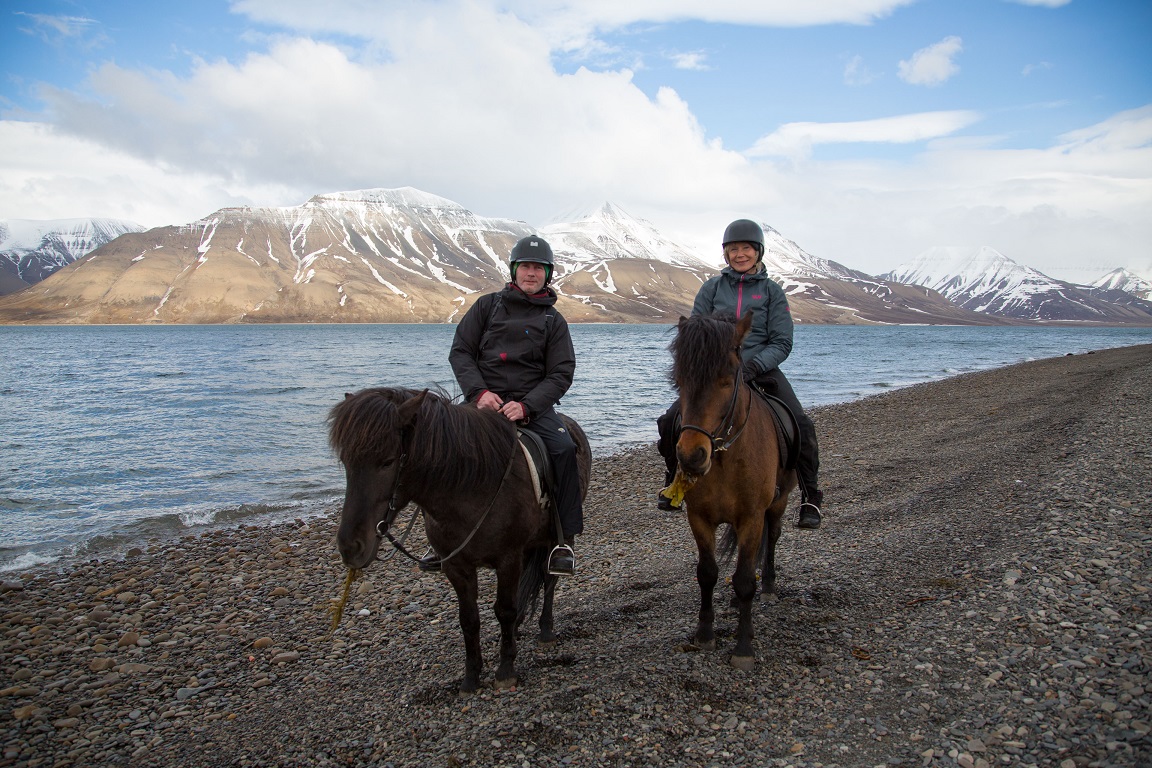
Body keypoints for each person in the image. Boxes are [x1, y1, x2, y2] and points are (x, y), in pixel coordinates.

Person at [427, 234, 582, 575]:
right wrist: (479, 393)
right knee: (440, 447)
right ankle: (440, 539)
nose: (531, 273)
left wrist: (527, 406)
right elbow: (461, 352)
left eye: (538, 268)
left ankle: (563, 539)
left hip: (531, 407)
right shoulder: (486, 307)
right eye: (525, 266)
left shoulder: (554, 321)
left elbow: (561, 372)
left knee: (564, 449)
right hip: (483, 403)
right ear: (514, 270)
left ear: (548, 274)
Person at [657, 219, 825, 529]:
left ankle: (810, 496)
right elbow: (696, 332)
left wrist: (752, 366)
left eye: (745, 248)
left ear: (758, 251)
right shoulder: (712, 288)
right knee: (671, 420)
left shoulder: (772, 292)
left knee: (801, 423)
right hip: (718, 375)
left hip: (760, 371)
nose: (739, 254)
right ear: (726, 254)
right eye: (733, 249)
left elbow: (782, 341)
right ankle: (675, 482)